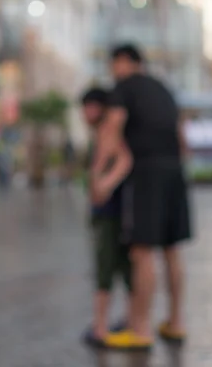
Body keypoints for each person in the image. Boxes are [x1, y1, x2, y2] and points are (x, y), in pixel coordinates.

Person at [94, 44, 192, 350]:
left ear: (123, 62)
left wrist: (99, 175)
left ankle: (140, 329)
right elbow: (181, 136)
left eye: (114, 64)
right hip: (174, 171)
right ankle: (175, 323)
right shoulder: (163, 88)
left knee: (141, 251)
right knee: (171, 250)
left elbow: (112, 128)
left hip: (145, 173)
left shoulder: (123, 88)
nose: (113, 71)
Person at [81, 88, 133, 347]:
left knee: (107, 267)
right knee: (123, 267)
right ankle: (128, 319)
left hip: (110, 213)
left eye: (92, 106)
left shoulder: (107, 131)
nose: (87, 112)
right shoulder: (102, 132)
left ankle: (100, 326)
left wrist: (104, 184)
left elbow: (124, 159)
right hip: (112, 211)